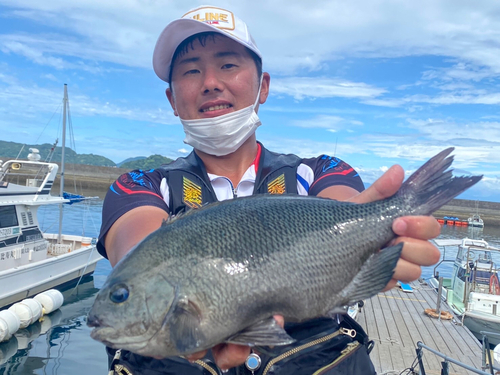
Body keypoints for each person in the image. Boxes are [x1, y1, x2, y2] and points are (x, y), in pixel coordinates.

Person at [97, 5, 441, 375]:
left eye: (228, 65)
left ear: (263, 86)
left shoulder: (319, 170)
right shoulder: (141, 185)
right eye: (191, 70)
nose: (210, 82)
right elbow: (138, 248)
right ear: (171, 99)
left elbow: (344, 206)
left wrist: (378, 234)